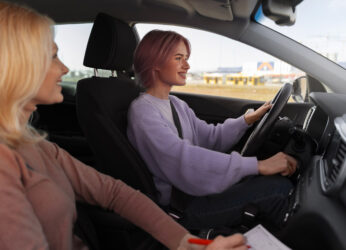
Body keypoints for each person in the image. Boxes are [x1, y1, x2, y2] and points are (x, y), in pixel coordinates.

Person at [0, 1, 248, 250]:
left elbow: (114, 192)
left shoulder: (33, 143)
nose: (65, 68)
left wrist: (185, 243)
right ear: (11, 65)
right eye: (52, 56)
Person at [127, 30, 298, 230]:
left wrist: (245, 120)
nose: (187, 65)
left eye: (186, 58)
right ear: (155, 62)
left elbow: (209, 137)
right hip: (182, 205)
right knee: (279, 189)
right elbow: (181, 158)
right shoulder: (142, 111)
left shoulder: (176, 104)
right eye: (179, 58)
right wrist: (258, 165)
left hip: (194, 190)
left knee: (268, 183)